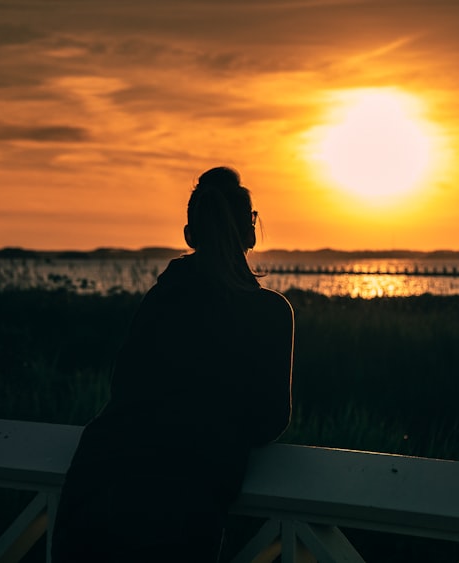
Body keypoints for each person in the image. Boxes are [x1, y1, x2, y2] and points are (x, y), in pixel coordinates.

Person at [52, 166, 294, 562]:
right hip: (181, 502)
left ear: (189, 235)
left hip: (96, 481)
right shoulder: (271, 311)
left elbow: (123, 387)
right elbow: (270, 421)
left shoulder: (159, 298)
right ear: (250, 232)